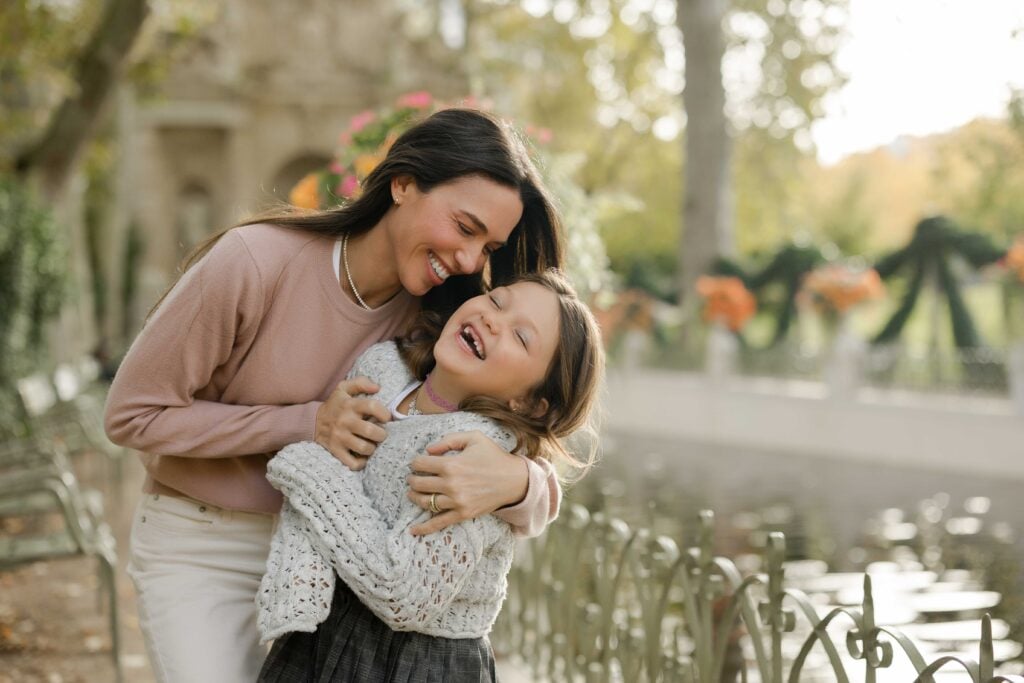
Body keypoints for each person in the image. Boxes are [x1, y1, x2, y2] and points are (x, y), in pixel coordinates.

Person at [103, 108, 567, 683]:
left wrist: (518, 483)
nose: (472, 261)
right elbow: (133, 415)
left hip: (340, 580)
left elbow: (524, 437)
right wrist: (305, 424)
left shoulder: (442, 321)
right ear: (402, 184)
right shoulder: (253, 262)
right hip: (203, 546)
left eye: (488, 245)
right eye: (465, 228)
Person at [256, 270, 604, 682]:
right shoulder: (381, 369)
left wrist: (307, 469)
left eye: (521, 337)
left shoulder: (476, 458)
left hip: (415, 663)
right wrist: (299, 589)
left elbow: (403, 594)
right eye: (496, 300)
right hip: (320, 635)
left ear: (532, 403)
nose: (494, 320)